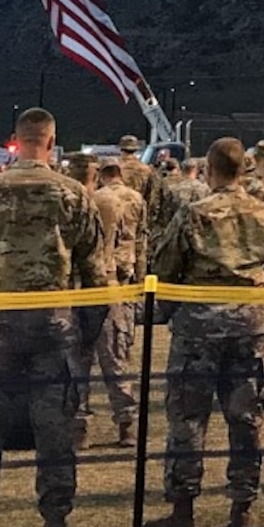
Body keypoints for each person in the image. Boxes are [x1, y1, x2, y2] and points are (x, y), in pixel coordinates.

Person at [0, 107, 108, 527]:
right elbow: (97, 276)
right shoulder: (74, 195)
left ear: (16, 140)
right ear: (51, 140)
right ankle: (55, 522)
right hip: (52, 327)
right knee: (55, 427)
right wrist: (85, 335)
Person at [148, 137, 264, 527]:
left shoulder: (195, 213)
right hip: (250, 325)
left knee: (188, 418)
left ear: (209, 169)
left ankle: (183, 510)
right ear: (244, 168)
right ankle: (243, 508)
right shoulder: (263, 211)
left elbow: (166, 265)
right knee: (246, 418)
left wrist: (171, 311)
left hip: (199, 327)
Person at [86, 157, 146, 446]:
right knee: (117, 357)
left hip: (88, 285)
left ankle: (79, 429)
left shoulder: (90, 200)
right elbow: (140, 240)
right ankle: (126, 424)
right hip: (120, 281)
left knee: (78, 361)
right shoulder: (133, 198)